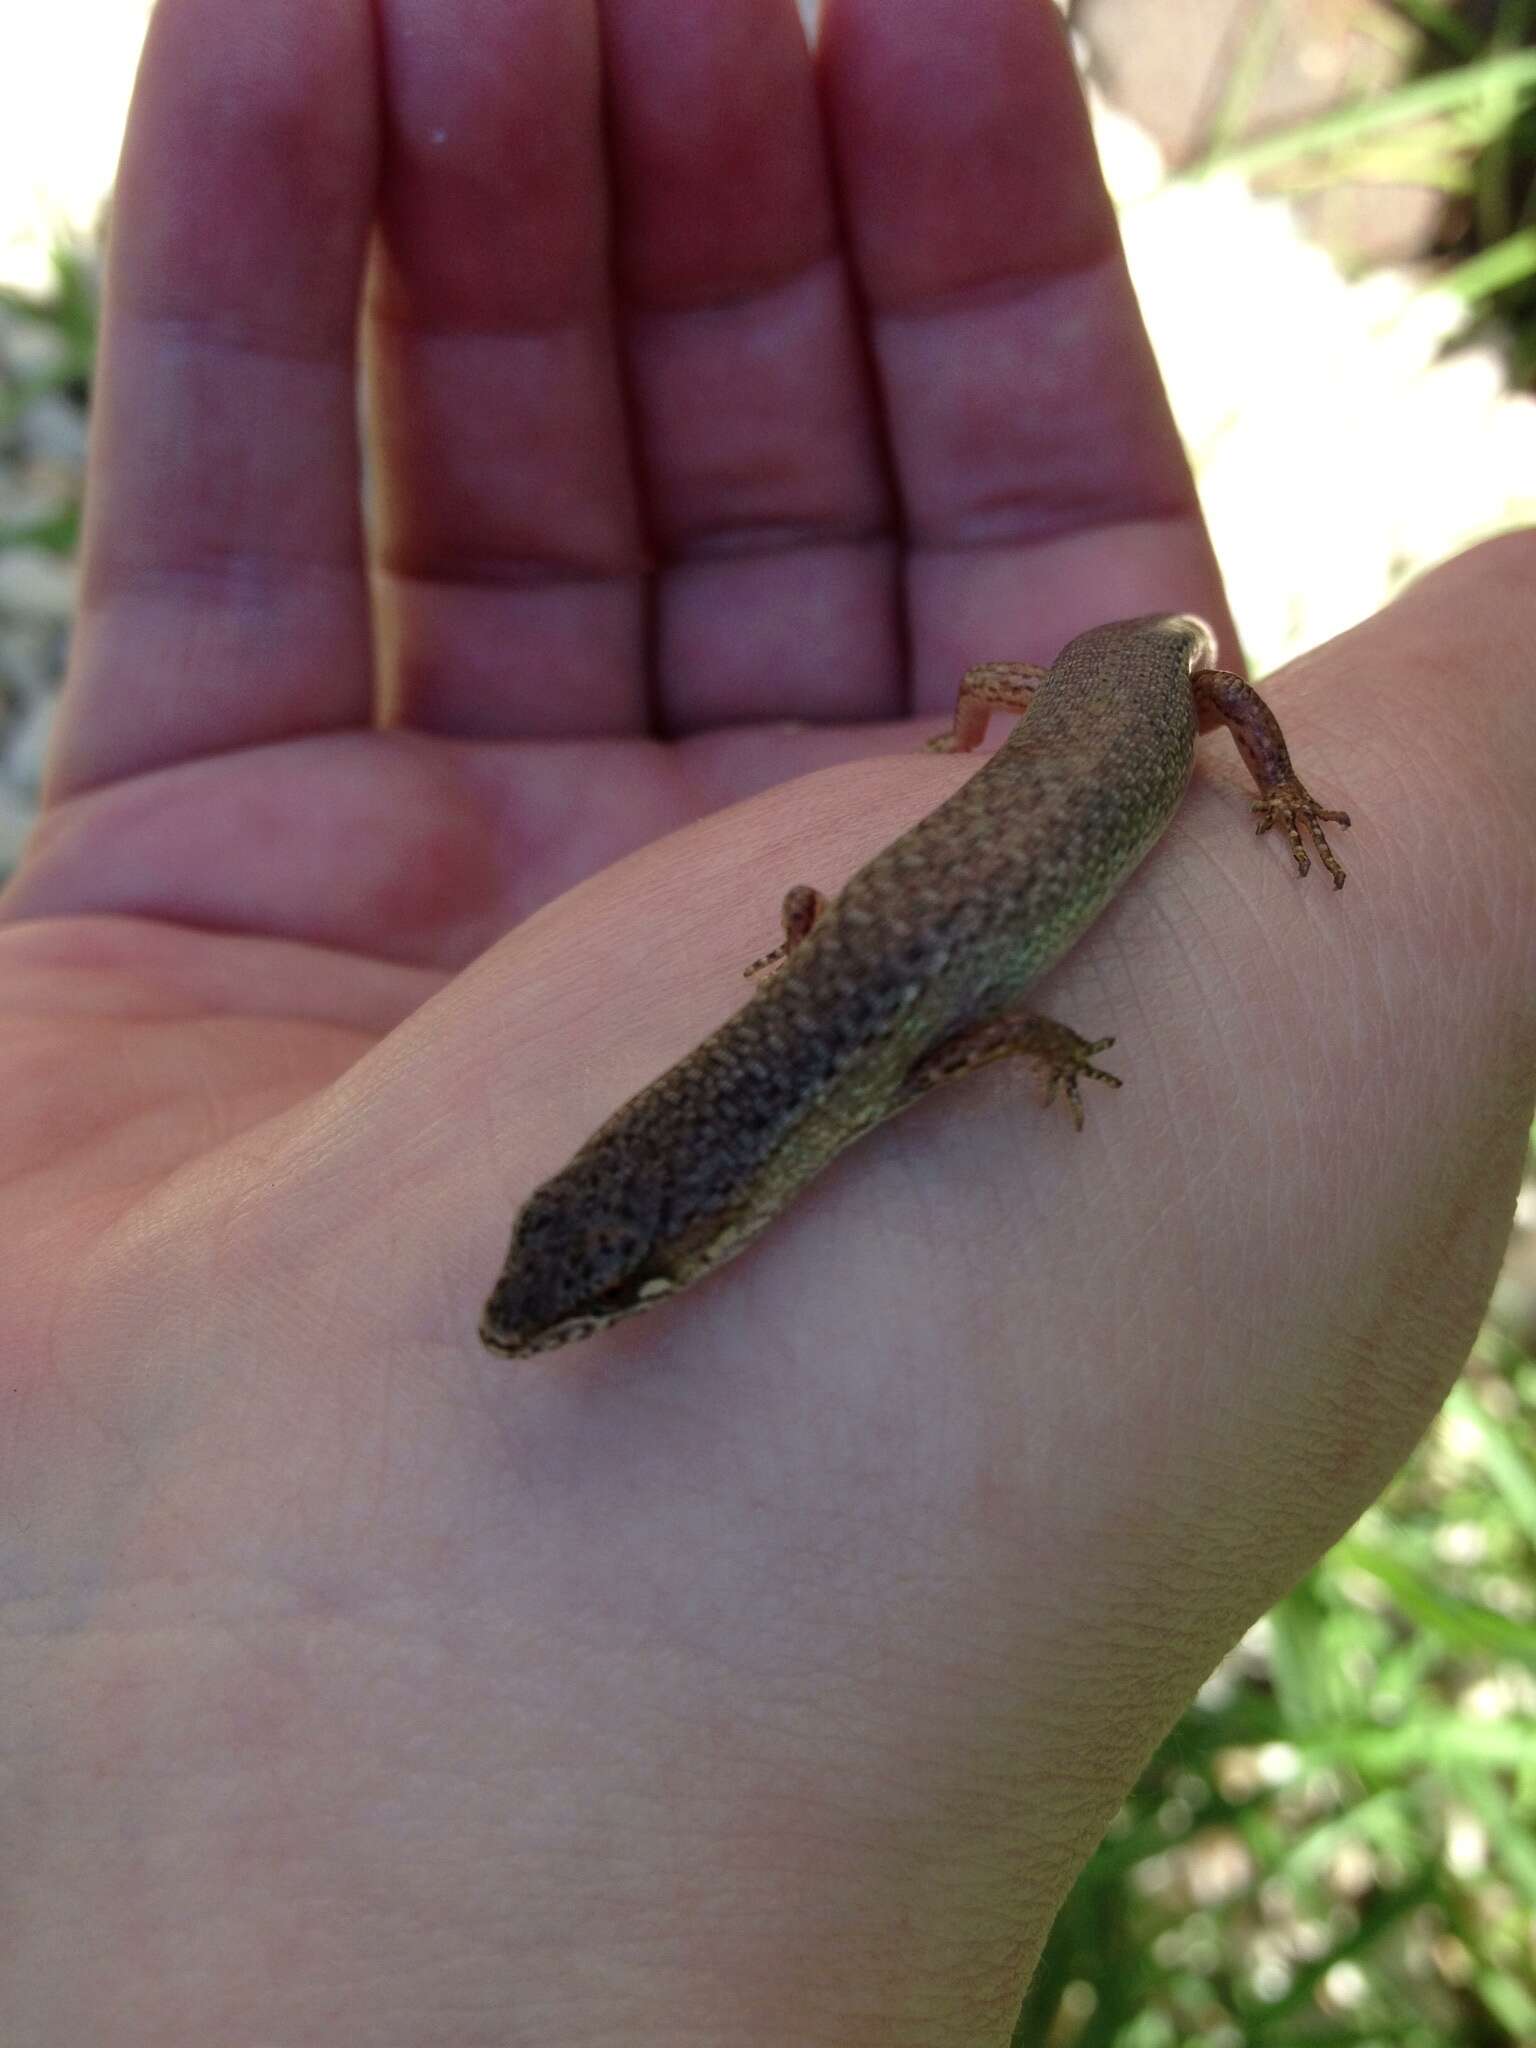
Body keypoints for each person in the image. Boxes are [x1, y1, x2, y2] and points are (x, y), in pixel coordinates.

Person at [2, 0, 1530, 2039]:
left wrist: (1180, 909)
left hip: (1140, 686)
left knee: (1143, 722)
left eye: (618, 1277)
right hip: (1059, 697)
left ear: (705, 1228)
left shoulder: (897, 1026)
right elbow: (854, 960)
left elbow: (993, 959)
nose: (584, 1314)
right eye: (607, 1268)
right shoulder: (828, 1044)